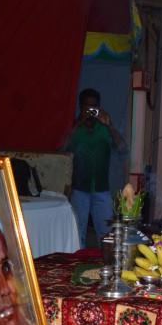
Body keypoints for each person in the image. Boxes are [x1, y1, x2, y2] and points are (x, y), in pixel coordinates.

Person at [62, 88, 126, 248]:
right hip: (79, 189)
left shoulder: (104, 128)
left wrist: (110, 126)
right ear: (80, 107)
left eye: (94, 106)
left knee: (106, 235)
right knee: (77, 233)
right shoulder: (74, 128)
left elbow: (122, 148)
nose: (91, 110)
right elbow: (61, 149)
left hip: (102, 189)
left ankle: (105, 261)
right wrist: (78, 123)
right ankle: (78, 261)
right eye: (87, 106)